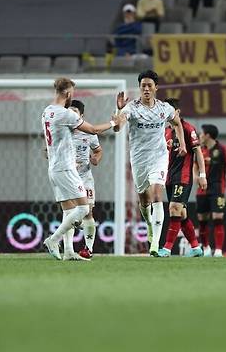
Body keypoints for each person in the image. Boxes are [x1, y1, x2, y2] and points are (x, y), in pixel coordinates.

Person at [41, 78, 123, 260]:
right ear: (67, 93)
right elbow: (93, 129)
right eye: (73, 93)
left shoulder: (47, 111)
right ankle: (54, 240)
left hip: (54, 167)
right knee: (84, 208)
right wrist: (113, 123)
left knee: (69, 211)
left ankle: (69, 251)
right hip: (66, 168)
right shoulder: (66, 114)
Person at [114, 70, 187, 256]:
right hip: (139, 159)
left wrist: (182, 144)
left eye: (149, 85)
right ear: (139, 88)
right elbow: (117, 127)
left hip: (159, 157)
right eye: (143, 85)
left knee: (156, 193)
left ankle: (155, 244)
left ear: (156, 87)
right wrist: (119, 111)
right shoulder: (131, 108)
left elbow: (177, 123)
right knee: (144, 199)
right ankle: (149, 224)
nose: (146, 88)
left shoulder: (164, 108)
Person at [157, 98, 207, 258]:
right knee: (182, 214)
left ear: (177, 112)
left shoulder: (187, 128)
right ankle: (195, 247)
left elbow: (198, 152)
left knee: (173, 208)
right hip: (169, 178)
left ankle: (167, 248)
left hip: (183, 177)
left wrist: (202, 175)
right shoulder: (165, 132)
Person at [196, 124, 226, 257]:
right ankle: (206, 248)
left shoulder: (223, 149)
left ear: (208, 135)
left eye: (202, 134)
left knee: (218, 218)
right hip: (202, 190)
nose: (200, 136)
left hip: (218, 189)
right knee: (202, 220)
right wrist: (196, 178)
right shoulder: (199, 150)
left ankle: (219, 250)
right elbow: (194, 168)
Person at [66, 99, 103, 260]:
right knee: (70, 213)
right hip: (67, 178)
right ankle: (68, 248)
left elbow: (98, 150)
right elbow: (47, 151)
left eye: (75, 112)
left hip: (85, 177)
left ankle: (88, 249)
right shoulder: (61, 131)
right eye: (69, 112)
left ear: (81, 115)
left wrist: (96, 158)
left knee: (88, 212)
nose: (72, 115)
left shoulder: (89, 132)